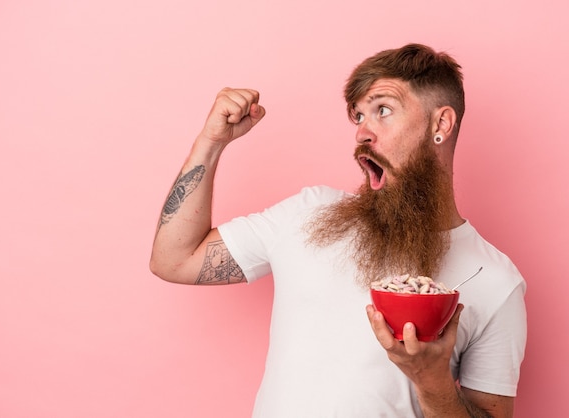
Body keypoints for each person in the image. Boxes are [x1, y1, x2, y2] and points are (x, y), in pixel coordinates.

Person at [150, 43, 527, 418]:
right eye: (358, 116)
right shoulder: (308, 214)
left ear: (440, 124)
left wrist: (432, 382)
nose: (362, 132)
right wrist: (211, 142)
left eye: (383, 110)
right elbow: (175, 260)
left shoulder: (495, 279)